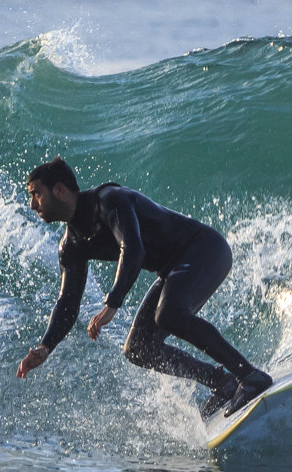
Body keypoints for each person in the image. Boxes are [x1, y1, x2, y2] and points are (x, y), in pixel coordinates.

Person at [14, 157, 273, 419]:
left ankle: (249, 375)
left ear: (59, 190)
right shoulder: (71, 246)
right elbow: (68, 302)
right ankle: (222, 382)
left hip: (204, 249)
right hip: (173, 269)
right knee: (138, 347)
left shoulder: (109, 200)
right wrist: (46, 346)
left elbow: (133, 249)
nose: (33, 203)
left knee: (169, 314)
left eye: (36, 194)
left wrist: (112, 302)